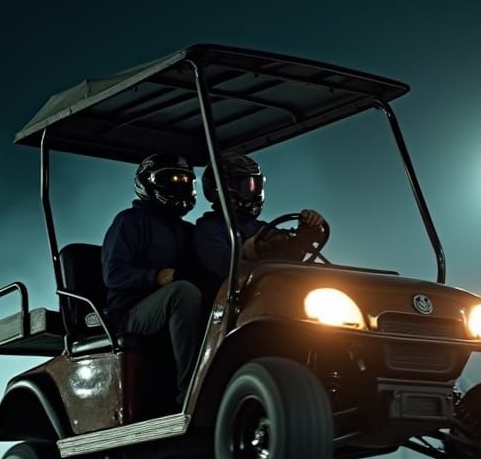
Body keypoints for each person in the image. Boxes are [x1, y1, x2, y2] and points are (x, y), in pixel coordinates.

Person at [102, 153, 203, 403]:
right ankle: (192, 390)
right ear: (148, 183)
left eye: (185, 181)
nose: (179, 186)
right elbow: (113, 274)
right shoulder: (129, 222)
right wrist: (153, 277)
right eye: (171, 180)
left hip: (166, 308)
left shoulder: (188, 231)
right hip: (130, 313)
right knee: (183, 293)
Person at [194, 152, 327, 290]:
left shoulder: (262, 227)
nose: (253, 192)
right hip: (230, 301)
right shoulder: (208, 227)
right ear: (218, 189)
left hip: (266, 293)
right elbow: (220, 264)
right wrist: (247, 252)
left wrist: (305, 234)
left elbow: (290, 256)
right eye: (245, 186)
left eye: (256, 185)